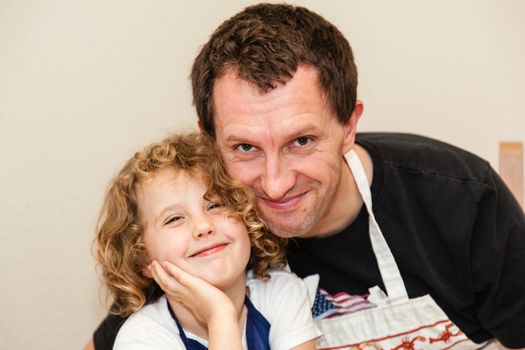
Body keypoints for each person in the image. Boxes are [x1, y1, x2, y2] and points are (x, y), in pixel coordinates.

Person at [88, 3, 525, 349]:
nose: (275, 184)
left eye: (301, 141)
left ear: (348, 126)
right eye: (245, 148)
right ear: (210, 142)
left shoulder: (460, 199)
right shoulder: (209, 245)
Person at [94, 132, 321, 349]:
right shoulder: (143, 337)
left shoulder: (280, 294)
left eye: (215, 205)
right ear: (141, 256)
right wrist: (220, 317)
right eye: (174, 219)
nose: (203, 227)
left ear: (247, 216)